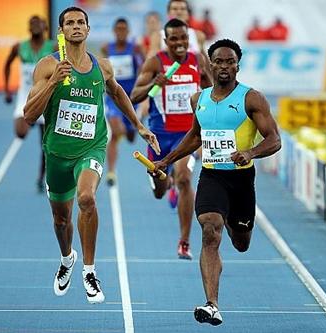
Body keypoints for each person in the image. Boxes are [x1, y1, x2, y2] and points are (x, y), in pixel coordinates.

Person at [23, 7, 160, 304]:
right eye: (69, 22)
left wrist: (137, 124)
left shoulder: (103, 66)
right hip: (58, 153)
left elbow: (117, 93)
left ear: (87, 30)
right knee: (61, 221)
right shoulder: (48, 66)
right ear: (61, 32)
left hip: (91, 146)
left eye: (80, 22)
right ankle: (67, 259)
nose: (75, 26)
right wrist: (52, 83)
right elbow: (29, 115)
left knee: (86, 199)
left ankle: (89, 270)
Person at [151, 39, 281, 326]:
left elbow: (274, 140)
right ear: (210, 64)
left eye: (229, 61)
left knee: (241, 242)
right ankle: (212, 304)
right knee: (210, 229)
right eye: (218, 61)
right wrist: (167, 160)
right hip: (212, 176)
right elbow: (195, 137)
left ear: (237, 64)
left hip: (241, 180)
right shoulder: (199, 99)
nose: (224, 66)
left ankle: (238, 225)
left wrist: (250, 152)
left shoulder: (252, 98)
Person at [130, 18, 211, 260]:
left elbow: (212, 89)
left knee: (185, 178)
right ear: (166, 41)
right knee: (159, 190)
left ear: (189, 38)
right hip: (159, 139)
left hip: (187, 137)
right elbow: (133, 96)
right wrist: (154, 84)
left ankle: (184, 242)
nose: (179, 43)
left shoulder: (197, 60)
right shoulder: (156, 62)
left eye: (183, 38)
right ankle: (165, 183)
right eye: (174, 38)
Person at [4, 15, 54, 192]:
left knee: (45, 144)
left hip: (45, 97)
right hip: (25, 96)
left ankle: (42, 177)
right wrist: (7, 89)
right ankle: (30, 121)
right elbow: (7, 64)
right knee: (20, 133)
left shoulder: (52, 47)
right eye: (31, 23)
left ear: (45, 27)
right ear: (28, 27)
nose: (35, 25)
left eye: (38, 23)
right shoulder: (19, 47)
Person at [101, 18, 144, 186]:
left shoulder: (135, 48)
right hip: (113, 96)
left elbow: (144, 68)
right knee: (115, 131)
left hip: (132, 97)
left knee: (131, 136)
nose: (120, 32)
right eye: (118, 29)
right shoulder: (107, 48)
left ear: (128, 31)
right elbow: (103, 67)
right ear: (114, 31)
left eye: (124, 29)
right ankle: (111, 172)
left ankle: (129, 129)